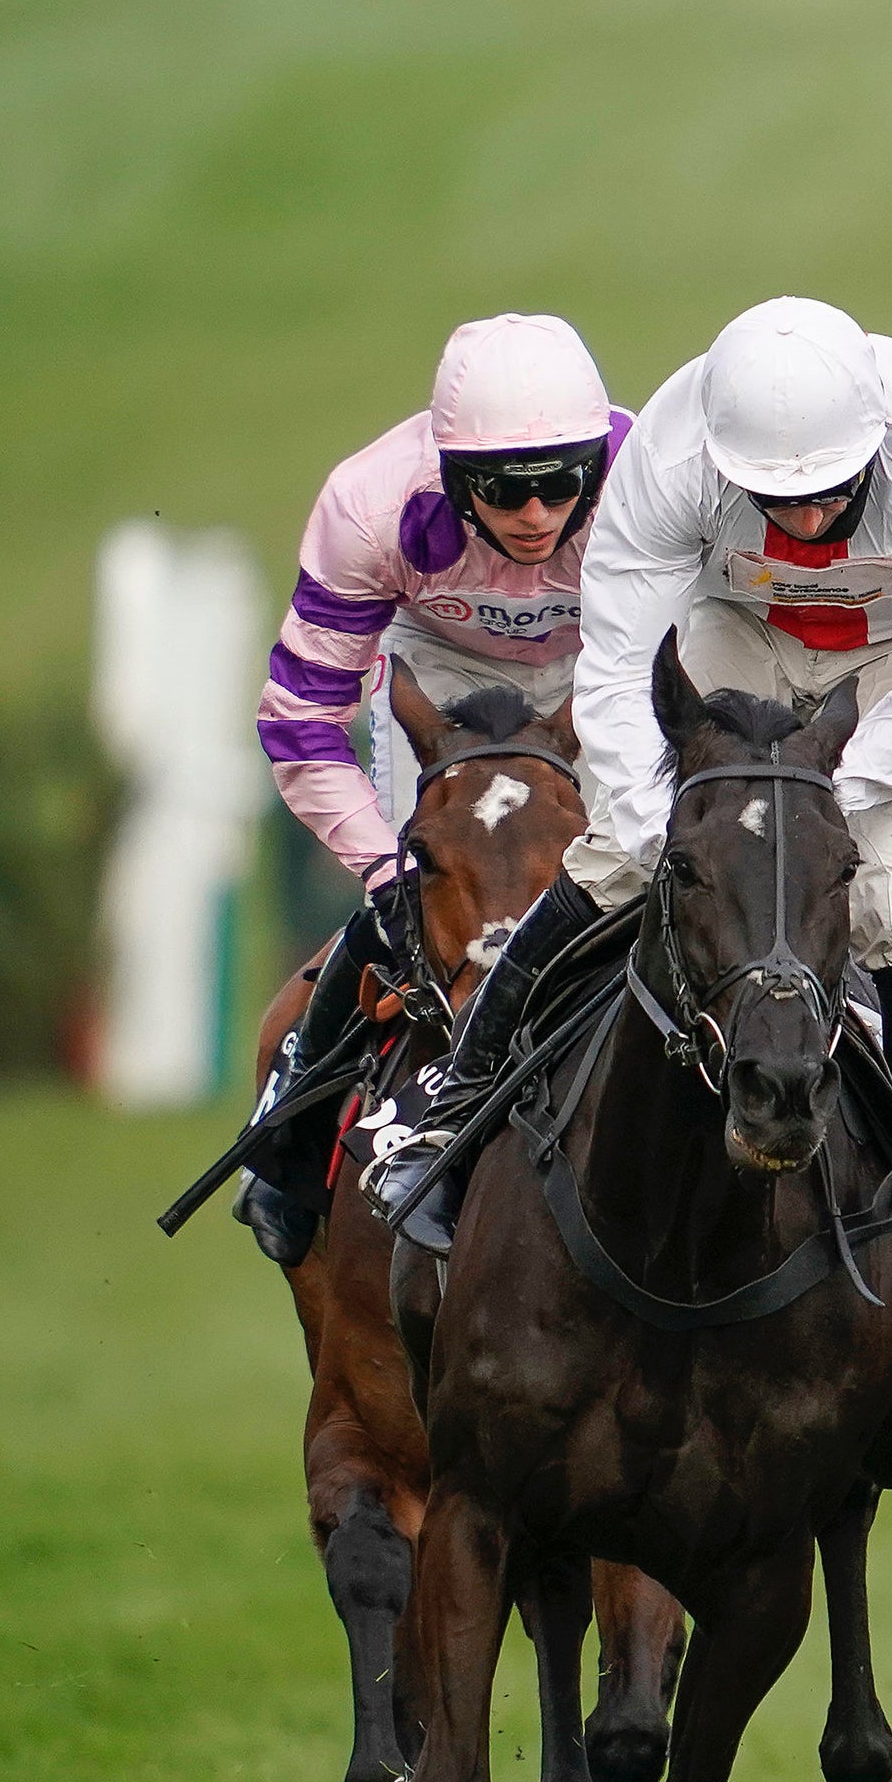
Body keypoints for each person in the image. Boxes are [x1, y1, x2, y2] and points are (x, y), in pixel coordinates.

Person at [366, 297, 892, 1347]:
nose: (807, 521)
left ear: (873, 453)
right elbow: (623, 660)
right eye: (774, 499)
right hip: (736, 628)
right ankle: (455, 1115)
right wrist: (651, 816)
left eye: (828, 494)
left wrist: (822, 792)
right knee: (618, 859)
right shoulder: (671, 457)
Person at [233, 313, 626, 1262]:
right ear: (449, 477)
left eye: (561, 484)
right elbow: (299, 718)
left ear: (598, 465)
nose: (536, 516)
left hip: (600, 679)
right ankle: (290, 1130)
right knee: (421, 905)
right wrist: (384, 867)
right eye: (504, 491)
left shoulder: (655, 486)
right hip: (436, 680)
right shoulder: (368, 506)